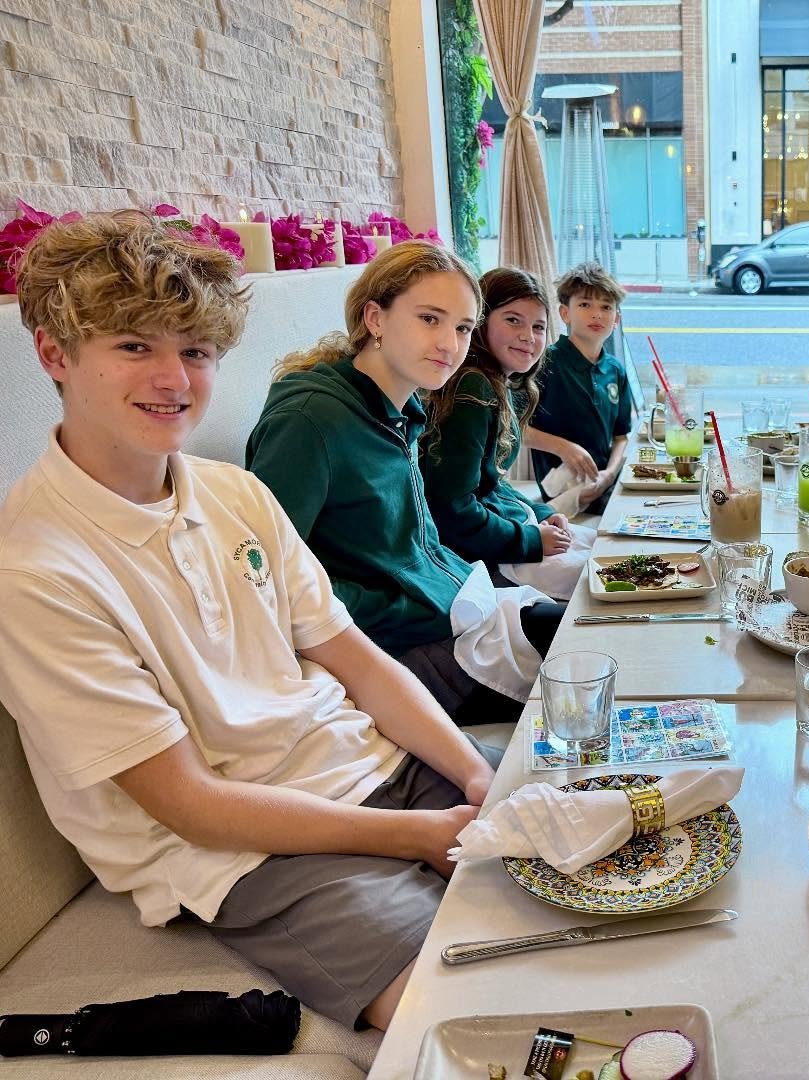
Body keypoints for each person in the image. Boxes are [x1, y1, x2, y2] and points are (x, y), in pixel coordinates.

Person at [0, 211, 498, 1031]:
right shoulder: (37, 570)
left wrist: (477, 776)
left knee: (594, 849)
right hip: (249, 852)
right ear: (55, 354)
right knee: (468, 1014)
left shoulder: (234, 493)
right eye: (135, 345)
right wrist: (420, 836)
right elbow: (190, 805)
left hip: (376, 765)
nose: (174, 379)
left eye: (196, 351)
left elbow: (358, 661)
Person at [246, 242, 564, 724]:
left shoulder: (401, 412)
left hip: (454, 609)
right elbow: (271, 583)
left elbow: (420, 542)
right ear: (375, 318)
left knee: (597, 634)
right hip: (399, 648)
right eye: (429, 319)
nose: (449, 345)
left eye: (462, 328)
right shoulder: (309, 422)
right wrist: (407, 606)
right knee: (588, 691)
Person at [423, 267, 596, 600]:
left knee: (603, 546)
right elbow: (451, 509)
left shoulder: (498, 385)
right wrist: (530, 540)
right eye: (513, 320)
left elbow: (490, 482)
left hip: (507, 525)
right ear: (480, 321)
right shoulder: (471, 390)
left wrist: (544, 513)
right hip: (482, 553)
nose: (528, 336)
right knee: (601, 574)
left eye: (538, 327)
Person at [525, 261, 632, 516]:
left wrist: (610, 474)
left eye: (606, 307)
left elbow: (621, 437)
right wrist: (564, 447)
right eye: (585, 305)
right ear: (565, 313)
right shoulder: (544, 363)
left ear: (616, 319)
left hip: (604, 483)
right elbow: (514, 429)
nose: (597, 314)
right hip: (561, 491)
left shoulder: (615, 370)